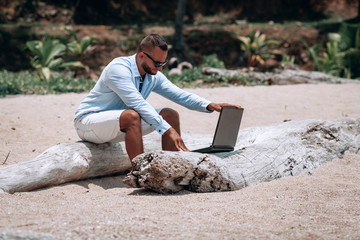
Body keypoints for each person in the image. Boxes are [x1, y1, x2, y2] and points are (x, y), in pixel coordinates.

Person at [74, 33, 240, 166]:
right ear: (141, 56)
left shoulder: (153, 74)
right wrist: (167, 130)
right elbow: (137, 104)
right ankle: (141, 173)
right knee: (133, 115)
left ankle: (174, 167)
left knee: (170, 114)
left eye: (164, 62)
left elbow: (180, 95)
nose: (160, 67)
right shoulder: (118, 69)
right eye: (157, 62)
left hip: (118, 123)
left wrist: (210, 105)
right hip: (88, 122)